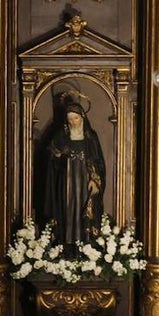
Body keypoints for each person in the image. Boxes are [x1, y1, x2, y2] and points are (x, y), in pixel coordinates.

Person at [40, 98, 106, 248]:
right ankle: (67, 246)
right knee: (67, 211)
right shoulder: (60, 136)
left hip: (85, 183)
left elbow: (98, 162)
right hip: (66, 182)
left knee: (84, 211)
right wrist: (57, 155)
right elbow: (50, 158)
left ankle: (86, 245)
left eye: (75, 118)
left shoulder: (90, 137)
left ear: (82, 117)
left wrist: (95, 180)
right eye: (70, 119)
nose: (73, 122)